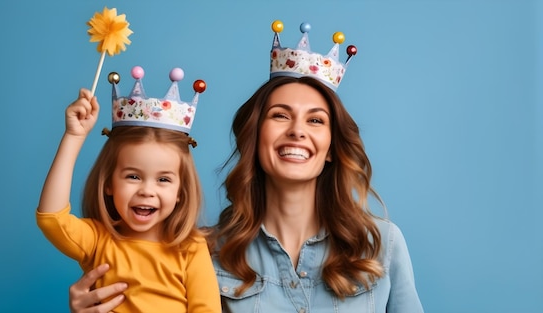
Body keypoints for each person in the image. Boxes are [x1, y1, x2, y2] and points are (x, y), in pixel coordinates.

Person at [67, 21, 424, 313]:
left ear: (331, 148)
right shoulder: (204, 250)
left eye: (316, 121)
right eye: (280, 116)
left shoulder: (382, 244)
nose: (297, 131)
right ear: (255, 137)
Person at [37, 66, 222, 313]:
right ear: (109, 184)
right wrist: (73, 137)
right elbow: (52, 219)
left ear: (181, 192)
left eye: (163, 180)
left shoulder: (190, 248)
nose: (147, 190)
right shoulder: (98, 240)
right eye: (133, 176)